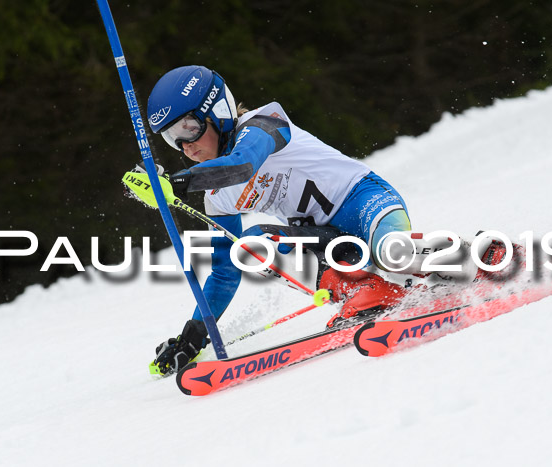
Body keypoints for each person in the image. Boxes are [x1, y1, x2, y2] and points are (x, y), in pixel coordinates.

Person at [144, 65, 414, 375]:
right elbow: (224, 273)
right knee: (251, 247)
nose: (185, 145)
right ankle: (365, 291)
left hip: (366, 201)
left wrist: (177, 183)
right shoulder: (216, 196)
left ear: (217, 112)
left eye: (188, 128)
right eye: (172, 137)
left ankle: (463, 259)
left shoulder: (265, 124)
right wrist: (195, 335)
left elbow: (242, 165)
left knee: (394, 254)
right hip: (327, 238)